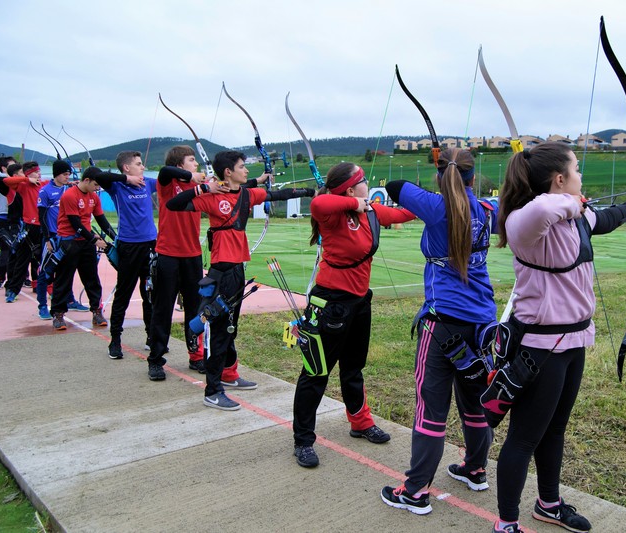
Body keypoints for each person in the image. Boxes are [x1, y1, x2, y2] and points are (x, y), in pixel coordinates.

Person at [488, 142, 626, 533]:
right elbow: (547, 207)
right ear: (559, 180)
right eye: (576, 170)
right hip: (540, 350)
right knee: (523, 439)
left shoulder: (572, 218)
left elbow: (605, 218)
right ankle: (506, 524)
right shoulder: (524, 222)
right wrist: (573, 202)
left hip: (574, 343)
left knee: (555, 429)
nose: (582, 177)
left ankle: (548, 503)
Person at [380, 148, 496, 515]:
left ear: (441, 177)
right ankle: (475, 469)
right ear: (472, 178)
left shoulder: (436, 206)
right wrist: (444, 168)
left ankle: (415, 492)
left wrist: (437, 173)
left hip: (442, 322)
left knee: (430, 410)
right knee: (475, 401)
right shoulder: (485, 209)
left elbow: (395, 186)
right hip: (482, 323)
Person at [167, 150, 314, 409]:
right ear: (228, 172)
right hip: (220, 272)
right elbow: (174, 205)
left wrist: (309, 192)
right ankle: (212, 391)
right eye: (242, 167)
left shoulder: (247, 193)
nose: (246, 171)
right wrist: (203, 189)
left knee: (231, 327)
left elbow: (276, 194)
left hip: (237, 270)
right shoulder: (212, 196)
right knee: (218, 331)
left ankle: (228, 374)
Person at [291, 162, 416, 468]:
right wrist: (355, 204)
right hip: (330, 302)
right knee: (316, 371)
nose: (368, 185)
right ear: (350, 190)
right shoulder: (332, 214)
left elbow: (404, 213)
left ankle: (360, 422)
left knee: (353, 367)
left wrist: (432, 201)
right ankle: (303, 439)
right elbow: (319, 201)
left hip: (359, 302)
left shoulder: (370, 213)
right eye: (363, 182)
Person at [146, 145, 211, 381]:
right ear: (180, 165)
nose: (196, 164)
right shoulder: (167, 185)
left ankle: (196, 356)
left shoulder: (198, 188)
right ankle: (156, 360)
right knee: (163, 308)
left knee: (196, 309)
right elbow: (163, 171)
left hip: (192, 256)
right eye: (192, 160)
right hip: (168, 255)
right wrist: (190, 177)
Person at [96, 151, 157, 360]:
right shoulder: (116, 186)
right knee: (123, 294)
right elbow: (97, 175)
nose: (142, 168)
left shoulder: (148, 183)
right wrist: (126, 179)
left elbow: (168, 178)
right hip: (129, 247)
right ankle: (115, 340)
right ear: (126, 167)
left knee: (150, 293)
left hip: (151, 244)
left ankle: (151, 337)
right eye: (138, 165)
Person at [50, 166, 117, 331]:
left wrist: (116, 238)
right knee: (63, 279)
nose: (97, 188)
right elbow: (75, 223)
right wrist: (94, 240)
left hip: (86, 242)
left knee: (92, 278)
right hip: (69, 242)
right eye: (95, 184)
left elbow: (101, 220)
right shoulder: (70, 195)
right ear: (86, 180)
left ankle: (96, 311)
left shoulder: (94, 197)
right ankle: (58, 314)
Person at [36, 160, 90, 319]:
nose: (68, 177)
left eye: (69, 174)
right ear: (56, 174)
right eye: (65, 174)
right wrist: (47, 239)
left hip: (67, 237)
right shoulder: (45, 191)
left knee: (67, 270)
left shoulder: (70, 189)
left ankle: (70, 300)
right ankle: (43, 306)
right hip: (52, 237)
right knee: (46, 272)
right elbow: (42, 217)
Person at [1, 161, 45, 303]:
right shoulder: (24, 185)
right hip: (29, 227)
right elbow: (6, 180)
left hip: (44, 227)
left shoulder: (44, 185)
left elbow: (57, 184)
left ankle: (50, 289)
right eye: (36, 172)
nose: (39, 174)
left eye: (39, 172)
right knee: (22, 260)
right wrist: (27, 179)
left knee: (47, 260)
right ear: (28, 174)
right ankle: (13, 290)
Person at [0, 155, 17, 290]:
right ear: (4, 168)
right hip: (4, 217)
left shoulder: (17, 180)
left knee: (18, 249)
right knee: (4, 250)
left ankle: (21, 276)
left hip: (17, 217)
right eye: (11, 166)